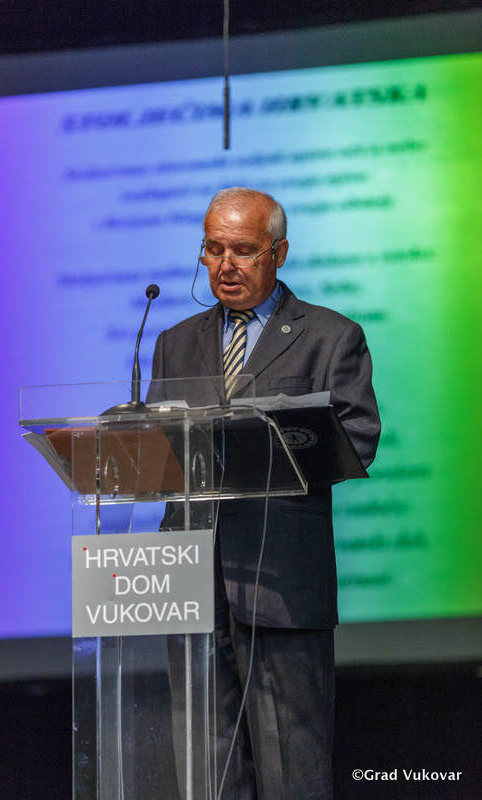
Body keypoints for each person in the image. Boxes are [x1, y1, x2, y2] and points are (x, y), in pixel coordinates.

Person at [148, 187, 381, 800]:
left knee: (291, 768)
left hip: (280, 577)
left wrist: (262, 451)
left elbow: (356, 439)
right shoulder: (174, 341)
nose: (225, 265)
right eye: (213, 249)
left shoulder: (331, 336)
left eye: (243, 250)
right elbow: (156, 447)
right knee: (204, 766)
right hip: (191, 578)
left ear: (278, 252)